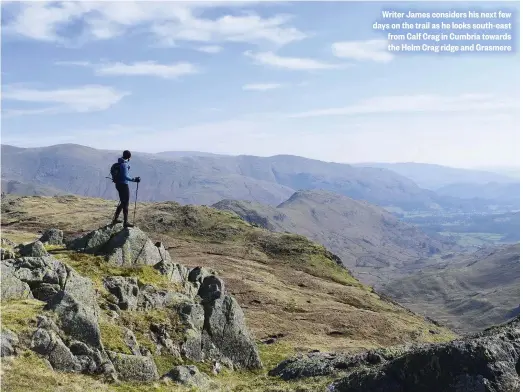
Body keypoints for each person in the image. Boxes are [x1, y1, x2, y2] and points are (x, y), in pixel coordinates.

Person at [112, 150, 140, 227]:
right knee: (126, 203)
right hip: (123, 185)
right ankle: (125, 222)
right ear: (129, 157)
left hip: (118, 184)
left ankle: (115, 219)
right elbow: (125, 177)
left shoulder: (120, 163)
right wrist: (134, 179)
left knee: (123, 202)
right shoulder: (124, 165)